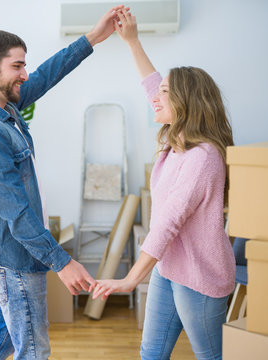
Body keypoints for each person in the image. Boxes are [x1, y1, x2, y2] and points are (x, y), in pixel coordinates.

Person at [0, 6, 125, 359]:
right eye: (17, 66)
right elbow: (15, 212)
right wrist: (63, 262)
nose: (24, 74)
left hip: (10, 261)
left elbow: (47, 74)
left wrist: (94, 37)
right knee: (34, 352)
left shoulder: (4, 108)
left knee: (0, 343)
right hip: (14, 263)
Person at [91, 10, 235, 360]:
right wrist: (132, 41)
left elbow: (168, 222)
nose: (155, 97)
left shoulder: (202, 157)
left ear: (186, 103)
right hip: (169, 269)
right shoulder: (178, 144)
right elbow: (152, 86)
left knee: (209, 357)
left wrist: (129, 280)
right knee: (151, 353)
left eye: (165, 93)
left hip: (199, 278)